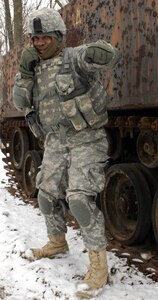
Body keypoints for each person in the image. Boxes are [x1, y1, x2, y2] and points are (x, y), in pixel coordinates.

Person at [13, 7, 120, 298]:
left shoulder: (73, 58)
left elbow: (105, 56)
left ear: (59, 36)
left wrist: (99, 52)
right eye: (36, 39)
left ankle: (98, 266)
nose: (40, 43)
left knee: (79, 200)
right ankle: (57, 242)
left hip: (86, 138)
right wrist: (23, 72)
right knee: (46, 195)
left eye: (46, 37)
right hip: (56, 141)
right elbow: (18, 101)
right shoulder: (33, 68)